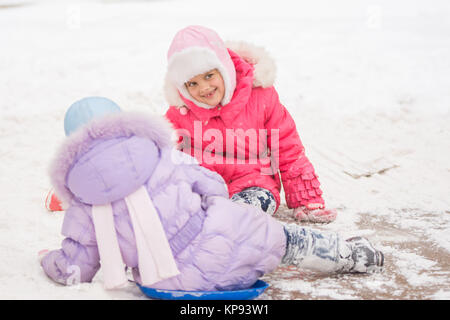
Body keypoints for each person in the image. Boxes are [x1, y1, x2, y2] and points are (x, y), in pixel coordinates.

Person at [39, 99, 384, 292]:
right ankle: (351, 255)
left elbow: (75, 268)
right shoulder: (160, 154)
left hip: (170, 282)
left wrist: (49, 260)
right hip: (223, 238)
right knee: (286, 240)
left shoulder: (85, 202)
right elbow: (212, 185)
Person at [164, 25, 336, 223]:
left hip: (254, 186)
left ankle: (229, 223)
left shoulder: (260, 97)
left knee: (244, 214)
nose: (204, 87)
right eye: (192, 83)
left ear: (224, 68)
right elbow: (162, 154)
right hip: (203, 188)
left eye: (209, 76)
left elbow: (288, 147)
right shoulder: (180, 112)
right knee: (182, 213)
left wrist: (306, 198)